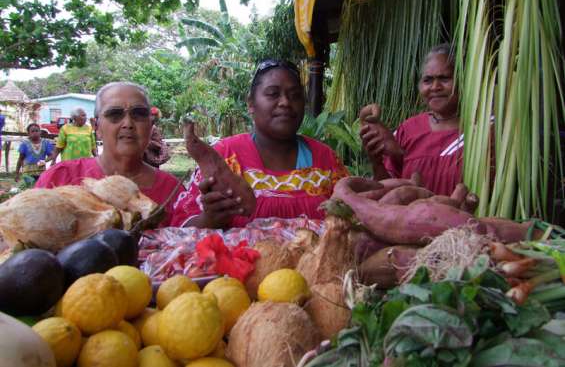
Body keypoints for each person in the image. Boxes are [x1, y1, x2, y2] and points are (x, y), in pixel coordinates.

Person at [171, 59, 349, 228]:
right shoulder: (224, 156)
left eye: (295, 95)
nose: (286, 102)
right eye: (273, 94)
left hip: (319, 260)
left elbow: (355, 218)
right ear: (251, 103)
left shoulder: (325, 159)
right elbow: (177, 227)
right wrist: (208, 220)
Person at [36, 82, 183, 226]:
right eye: (115, 114)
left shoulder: (173, 191)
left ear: (150, 125)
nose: (128, 123)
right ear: (97, 127)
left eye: (138, 114)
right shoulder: (59, 178)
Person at [360, 43, 462, 196]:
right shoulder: (408, 130)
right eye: (427, 80)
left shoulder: (481, 130)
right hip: (408, 220)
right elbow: (386, 195)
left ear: (463, 80)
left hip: (465, 220)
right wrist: (377, 161)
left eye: (444, 78)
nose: (435, 87)